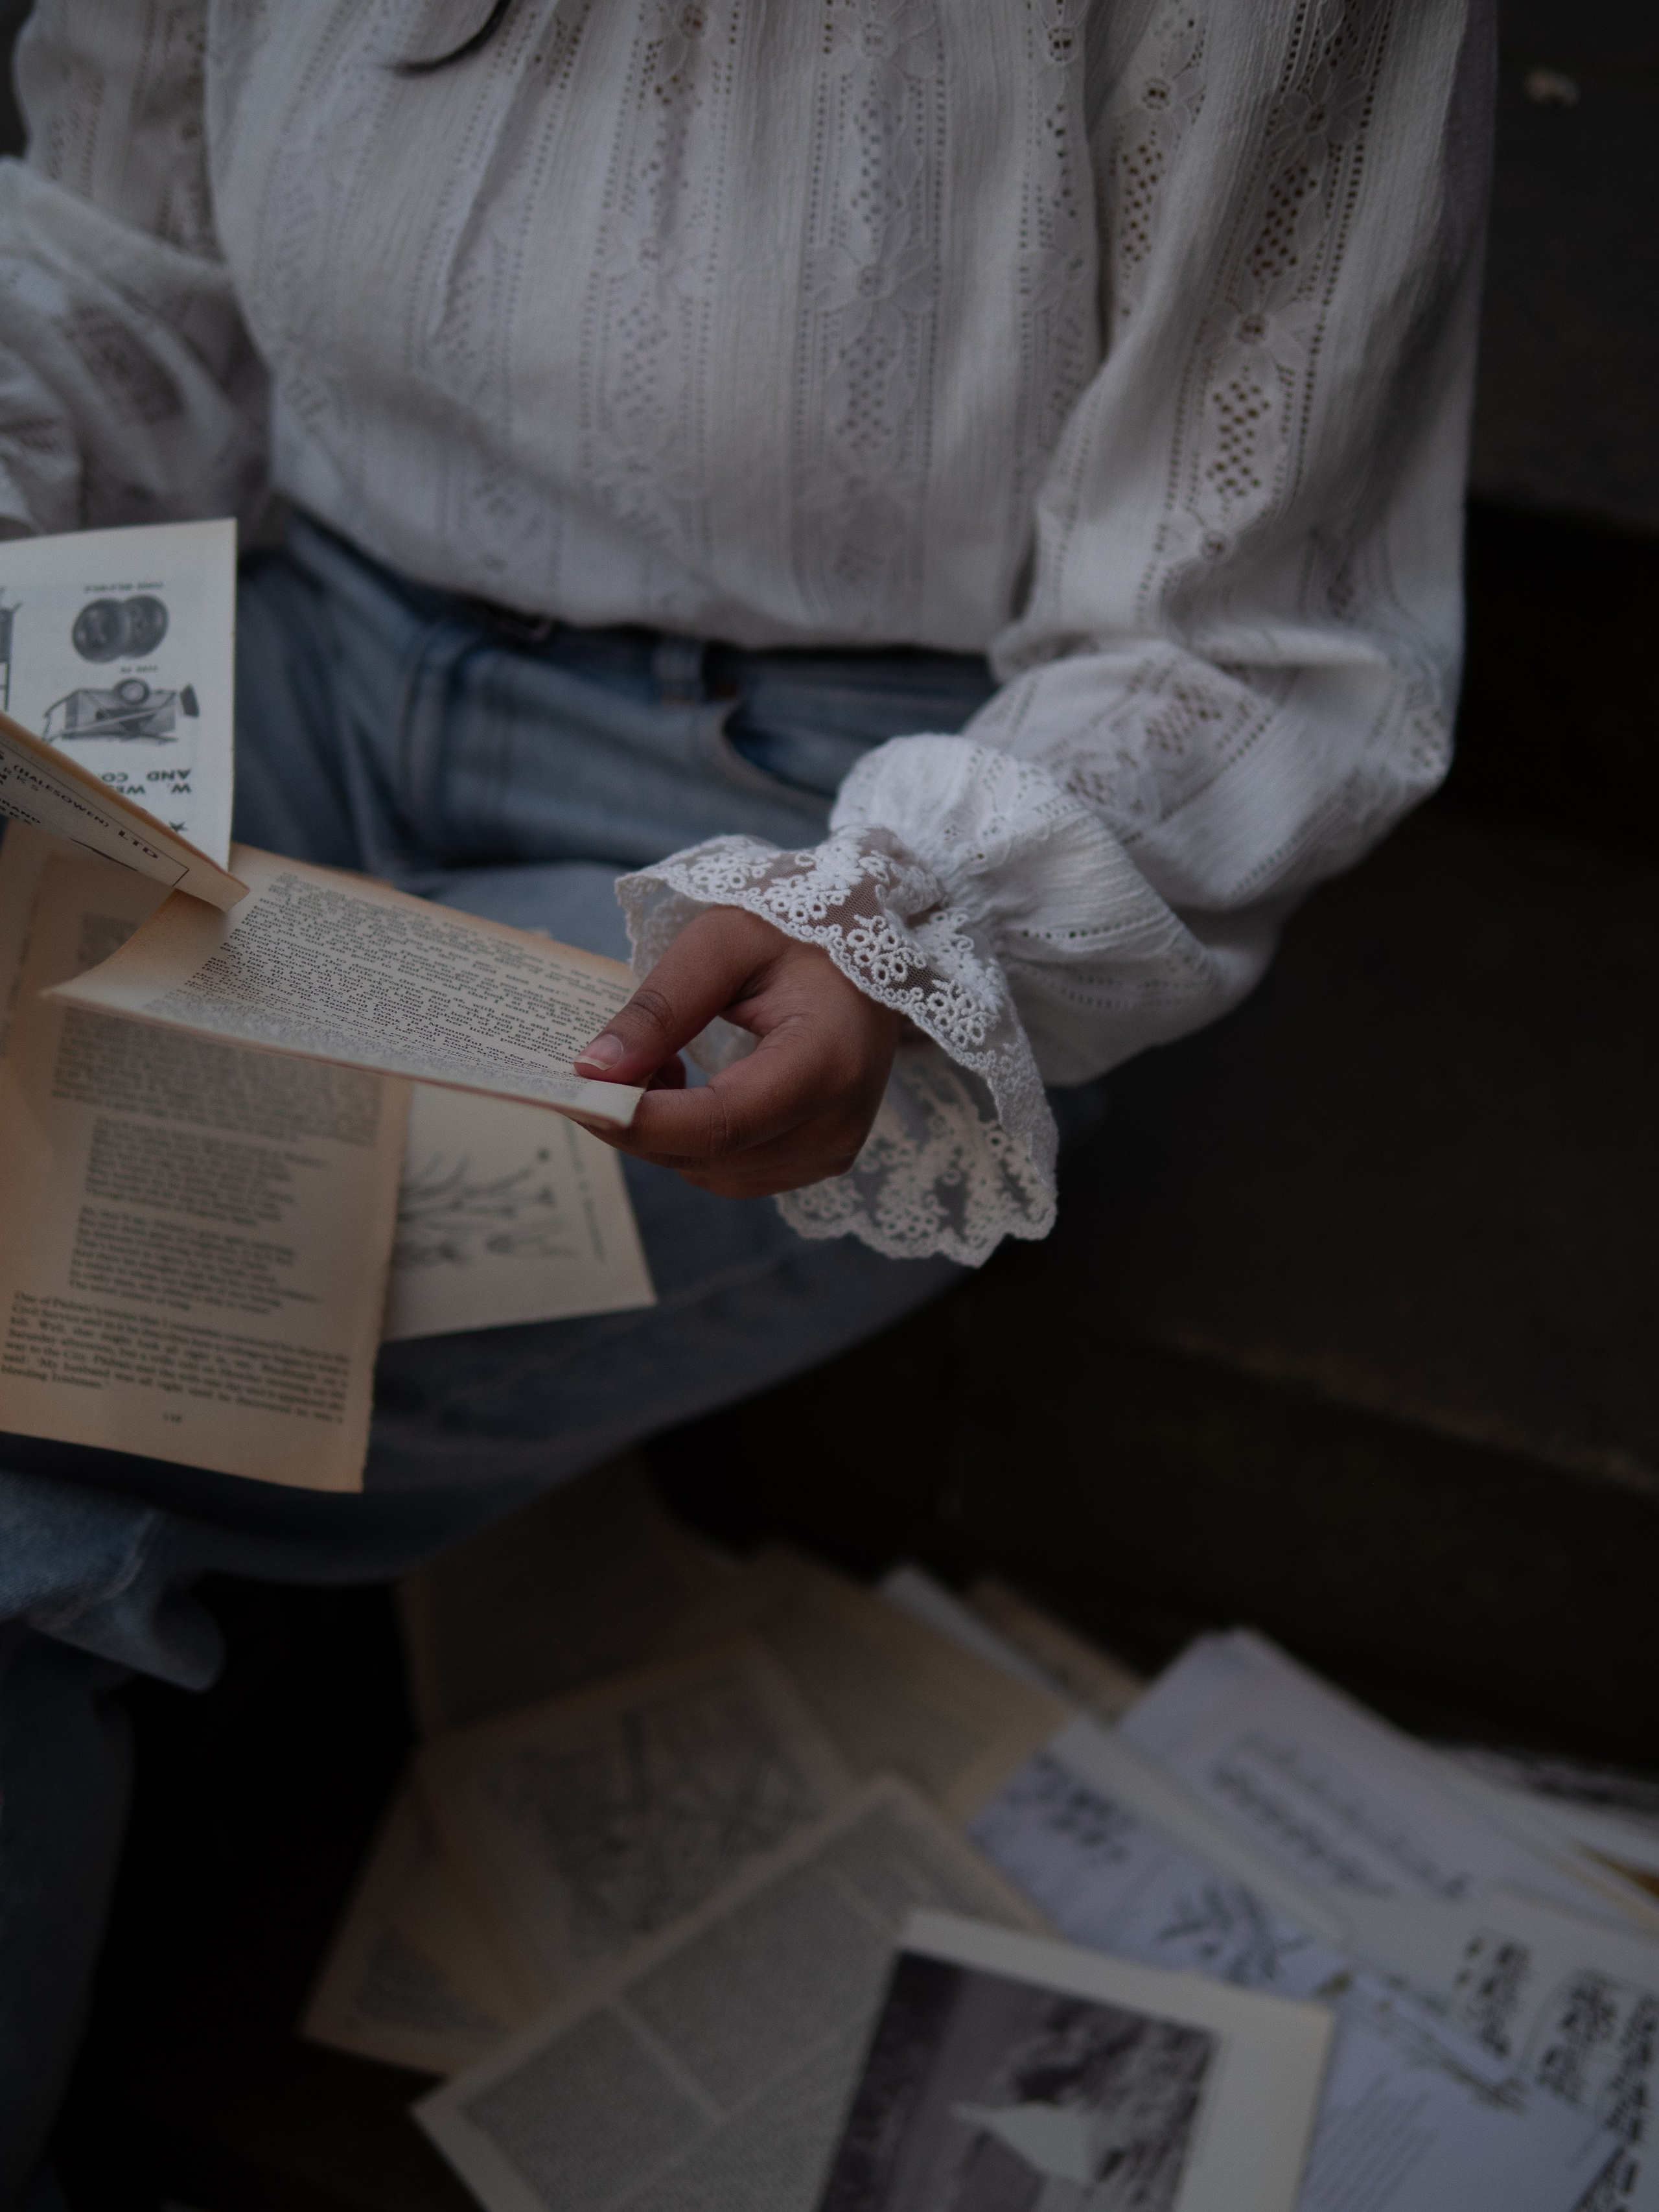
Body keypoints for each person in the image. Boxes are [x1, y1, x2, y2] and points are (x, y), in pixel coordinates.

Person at [0, 1, 1492, 2198]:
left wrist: (907, 913)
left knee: (52, 1405)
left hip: (813, 834)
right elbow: (113, 267)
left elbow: (1255, 637)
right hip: (280, 650)